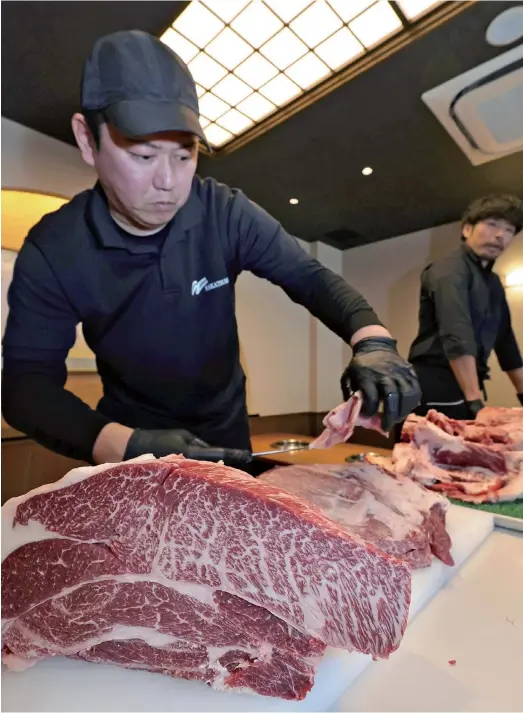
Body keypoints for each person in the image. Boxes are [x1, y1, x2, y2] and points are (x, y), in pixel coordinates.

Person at [2, 30, 420, 468]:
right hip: (128, 440)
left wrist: (374, 342)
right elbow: (27, 387)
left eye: (184, 156)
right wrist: (125, 444)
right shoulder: (56, 248)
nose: (168, 181)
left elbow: (309, 278)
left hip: (225, 430)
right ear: (88, 140)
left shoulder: (224, 212)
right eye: (144, 157)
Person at [407, 194, 523, 422]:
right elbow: (456, 331)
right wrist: (474, 401)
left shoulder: (494, 283)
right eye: (491, 224)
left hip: (468, 383)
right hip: (434, 381)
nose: (500, 235)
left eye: (509, 229)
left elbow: (506, 342)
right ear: (467, 229)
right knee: (426, 455)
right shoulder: (449, 268)